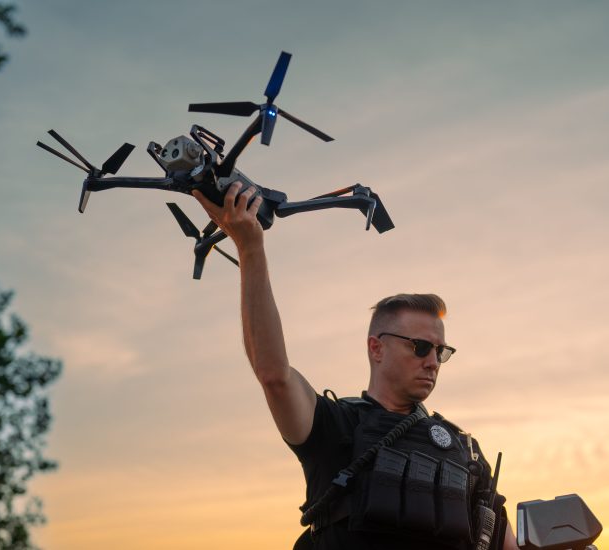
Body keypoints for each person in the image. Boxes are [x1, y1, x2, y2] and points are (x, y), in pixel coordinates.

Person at [193, 181, 519, 550]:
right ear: (376, 348)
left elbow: (507, 545)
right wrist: (250, 248)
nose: (432, 362)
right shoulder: (335, 427)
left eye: (441, 351)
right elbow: (274, 375)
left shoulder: (465, 452)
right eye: (420, 347)